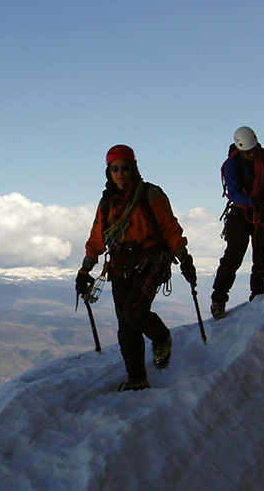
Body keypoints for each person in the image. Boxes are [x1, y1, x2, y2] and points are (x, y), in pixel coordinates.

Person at [76, 144, 197, 392]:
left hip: (151, 262)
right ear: (108, 172)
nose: (120, 173)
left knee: (133, 312)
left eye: (124, 168)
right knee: (126, 326)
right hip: (120, 267)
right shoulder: (107, 202)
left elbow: (170, 229)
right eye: (115, 169)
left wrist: (184, 259)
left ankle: (161, 336)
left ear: (133, 169)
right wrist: (84, 270)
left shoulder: (151, 195)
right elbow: (98, 239)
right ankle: (137, 379)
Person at [210, 126, 264, 319]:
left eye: (255, 150)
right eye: (249, 153)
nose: (254, 155)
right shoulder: (232, 164)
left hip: (260, 211)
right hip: (242, 213)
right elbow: (234, 192)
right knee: (233, 257)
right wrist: (253, 200)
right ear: (241, 150)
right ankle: (218, 300)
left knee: (261, 256)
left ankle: (259, 298)